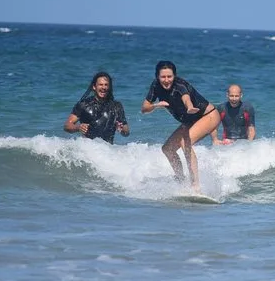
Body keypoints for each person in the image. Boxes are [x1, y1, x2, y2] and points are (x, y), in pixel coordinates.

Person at [141, 61, 221, 193]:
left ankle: (195, 186)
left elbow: (186, 98)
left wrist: (189, 107)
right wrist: (156, 105)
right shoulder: (155, 86)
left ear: (174, 76)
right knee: (168, 149)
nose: (166, 80)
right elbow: (144, 108)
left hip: (208, 116)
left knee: (185, 142)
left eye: (169, 76)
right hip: (190, 121)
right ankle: (181, 181)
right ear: (157, 77)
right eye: (163, 77)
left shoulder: (180, 85)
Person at [63, 71, 130, 144]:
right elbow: (67, 126)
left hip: (108, 149)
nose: (103, 87)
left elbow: (126, 133)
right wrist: (78, 127)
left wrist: (122, 129)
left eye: (106, 85)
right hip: (87, 148)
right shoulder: (83, 104)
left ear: (109, 87)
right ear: (94, 87)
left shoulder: (117, 106)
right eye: (100, 85)